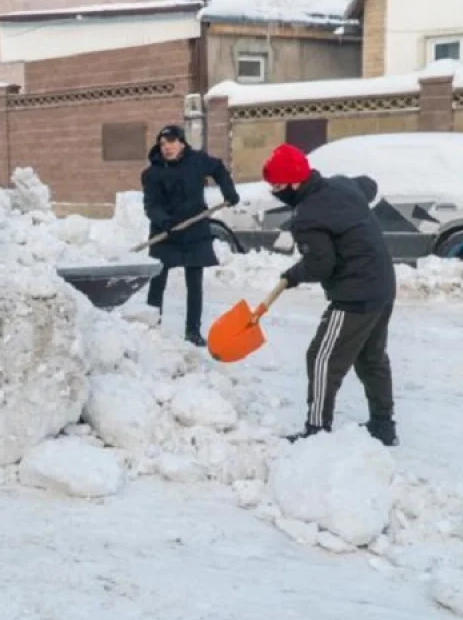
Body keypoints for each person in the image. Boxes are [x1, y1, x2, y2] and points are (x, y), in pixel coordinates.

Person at [261, 143, 398, 446]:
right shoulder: (342, 185)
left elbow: (321, 265)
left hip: (355, 293)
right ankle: (383, 426)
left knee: (322, 359)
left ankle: (317, 430)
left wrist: (292, 275)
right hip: (383, 284)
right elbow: (369, 185)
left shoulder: (307, 216)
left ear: (295, 182)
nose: (275, 192)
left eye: (278, 186)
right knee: (371, 357)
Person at [141, 124, 240, 346]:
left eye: (172, 142)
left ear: (182, 142)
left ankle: (192, 331)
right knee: (158, 280)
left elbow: (218, 169)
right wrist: (164, 221)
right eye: (163, 144)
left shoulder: (196, 161)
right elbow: (151, 205)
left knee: (194, 283)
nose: (167, 147)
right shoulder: (152, 173)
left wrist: (229, 191)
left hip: (195, 229)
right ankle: (151, 327)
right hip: (166, 232)